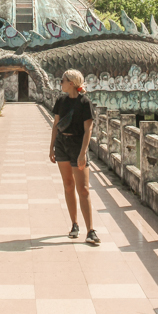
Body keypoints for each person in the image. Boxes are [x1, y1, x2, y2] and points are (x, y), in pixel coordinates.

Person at [49, 68, 100, 245]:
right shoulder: (61, 101)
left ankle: (91, 230)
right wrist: (51, 148)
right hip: (62, 145)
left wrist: (83, 153)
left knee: (83, 188)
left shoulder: (84, 102)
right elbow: (56, 125)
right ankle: (74, 224)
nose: (60, 83)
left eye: (62, 80)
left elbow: (89, 130)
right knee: (68, 185)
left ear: (71, 83)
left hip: (78, 145)